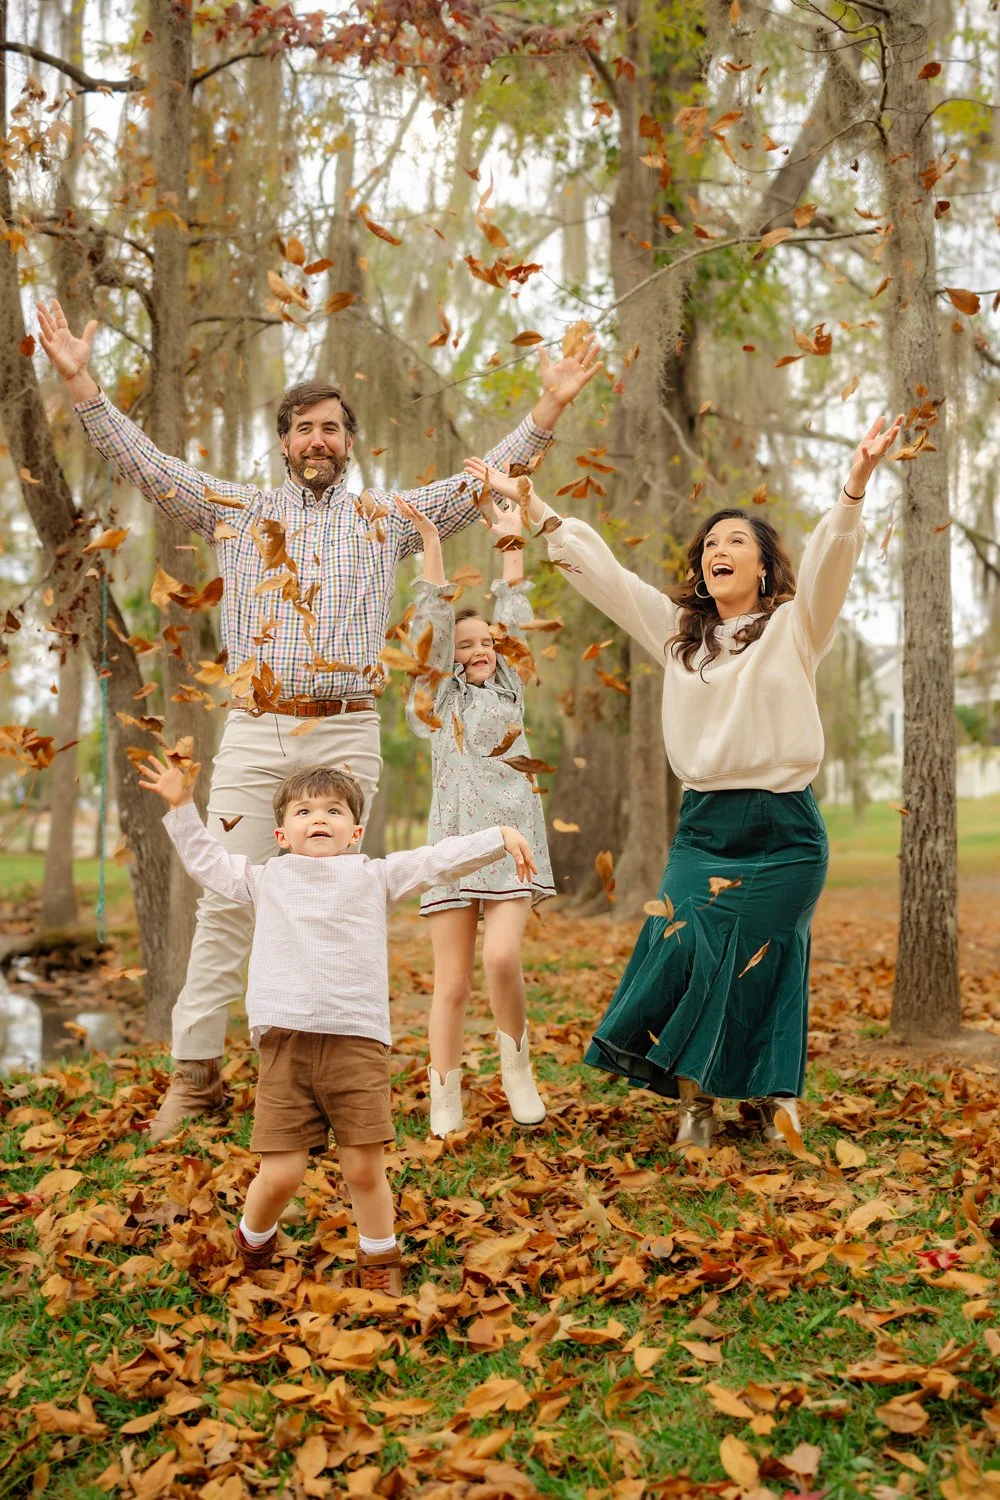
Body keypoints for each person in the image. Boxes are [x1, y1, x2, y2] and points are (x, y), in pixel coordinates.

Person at [36, 297, 601, 1141]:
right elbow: (149, 467)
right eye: (303, 428)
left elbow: (474, 485)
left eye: (332, 428)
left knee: (338, 898)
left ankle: (335, 1073)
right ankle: (195, 1078)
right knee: (227, 901)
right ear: (284, 439)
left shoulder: (384, 522)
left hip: (346, 731)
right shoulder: (237, 511)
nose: (317, 441)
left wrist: (550, 405)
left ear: (349, 440)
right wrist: (82, 382)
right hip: (257, 730)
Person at [464, 411, 903, 1150]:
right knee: (691, 948)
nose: (716, 551)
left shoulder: (797, 627)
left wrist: (856, 482)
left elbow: (833, 558)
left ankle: (768, 1098)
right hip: (705, 830)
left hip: (786, 832)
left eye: (736, 541)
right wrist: (536, 511)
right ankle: (696, 1103)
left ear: (764, 566)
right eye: (708, 545)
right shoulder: (677, 636)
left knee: (767, 961)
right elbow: (606, 576)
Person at [138, 756, 536, 1294]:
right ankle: (252, 1238)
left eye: (333, 810)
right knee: (280, 1174)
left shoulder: (373, 875)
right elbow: (208, 863)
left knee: (364, 1170)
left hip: (357, 1044)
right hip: (285, 1046)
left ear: (356, 831)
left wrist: (499, 836)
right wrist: (182, 808)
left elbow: (437, 860)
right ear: (281, 833)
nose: (318, 818)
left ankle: (379, 1257)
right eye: (303, 811)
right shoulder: (266, 878)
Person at [395, 493, 555, 1137]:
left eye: (484, 640)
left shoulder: (510, 686)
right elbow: (429, 629)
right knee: (452, 983)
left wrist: (512, 544)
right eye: (466, 644)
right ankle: (445, 1093)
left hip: (515, 842)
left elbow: (514, 616)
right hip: (453, 852)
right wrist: (432, 544)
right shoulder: (436, 699)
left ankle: (516, 1068)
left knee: (500, 960)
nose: (479, 648)